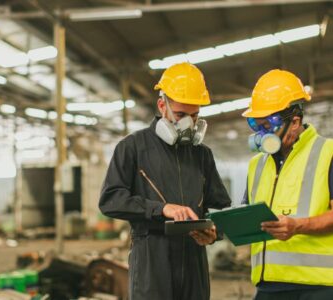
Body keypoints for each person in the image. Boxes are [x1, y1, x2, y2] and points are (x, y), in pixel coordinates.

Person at [99, 62, 231, 300]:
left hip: (194, 264)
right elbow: (110, 200)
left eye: (195, 115)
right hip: (152, 262)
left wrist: (214, 231)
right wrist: (161, 209)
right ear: (162, 106)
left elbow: (221, 207)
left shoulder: (202, 155)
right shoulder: (132, 148)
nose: (188, 124)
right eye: (181, 115)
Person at [242, 69, 333, 300]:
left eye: (268, 126)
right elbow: (246, 217)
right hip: (268, 285)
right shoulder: (256, 165)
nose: (262, 134)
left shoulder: (328, 153)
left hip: (319, 286)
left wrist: (298, 225)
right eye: (257, 125)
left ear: (295, 122)